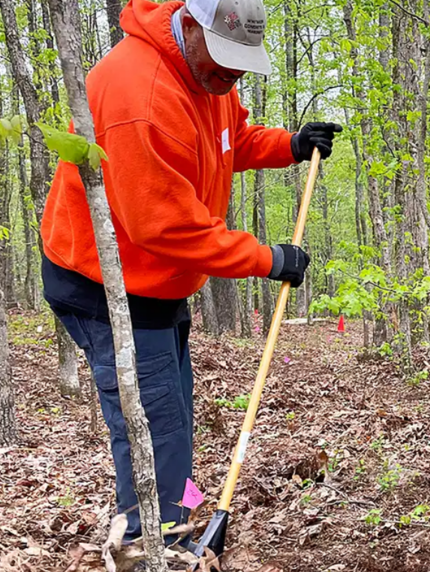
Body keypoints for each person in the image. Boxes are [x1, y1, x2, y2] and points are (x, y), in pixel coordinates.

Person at [39, 0, 339, 544]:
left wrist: (288, 146)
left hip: (157, 284)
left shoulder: (209, 76)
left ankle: (180, 513)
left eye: (241, 63)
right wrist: (267, 260)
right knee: (157, 429)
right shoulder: (142, 96)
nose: (232, 76)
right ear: (192, 25)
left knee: (174, 413)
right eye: (224, 62)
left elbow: (228, 141)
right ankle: (153, 543)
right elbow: (166, 228)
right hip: (107, 284)